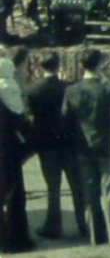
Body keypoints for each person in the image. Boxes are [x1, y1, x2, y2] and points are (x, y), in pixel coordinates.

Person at [62, 48, 110, 246]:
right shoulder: (109, 90)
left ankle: (95, 234)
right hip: (107, 144)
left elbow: (65, 120)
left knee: (90, 192)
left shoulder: (71, 90)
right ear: (100, 64)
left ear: (80, 65)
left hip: (82, 145)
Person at [25, 51, 86, 239]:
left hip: (47, 144)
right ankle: (84, 224)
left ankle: (53, 226)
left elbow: (32, 118)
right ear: (58, 65)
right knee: (77, 186)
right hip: (69, 142)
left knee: (53, 187)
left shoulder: (32, 90)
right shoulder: (69, 87)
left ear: (39, 66)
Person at [0, 56, 32, 253]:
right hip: (8, 150)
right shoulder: (10, 90)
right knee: (15, 196)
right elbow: (20, 121)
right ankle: (17, 239)